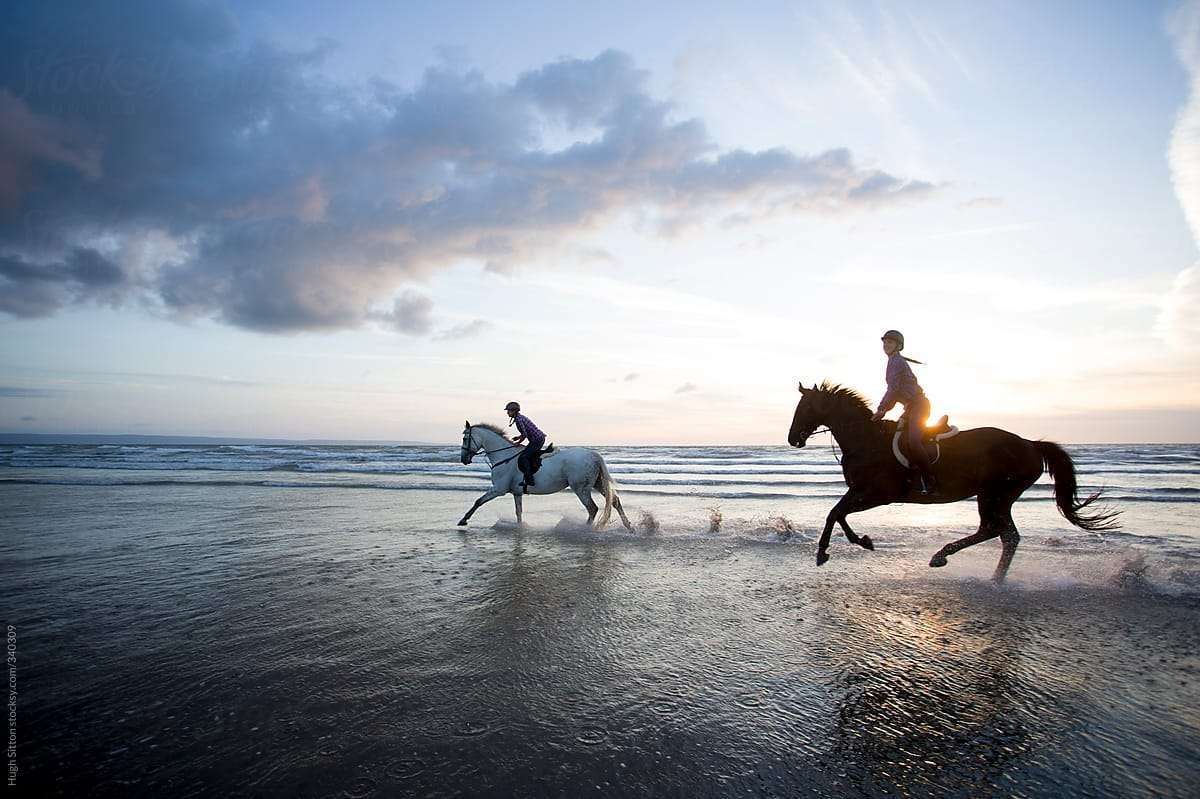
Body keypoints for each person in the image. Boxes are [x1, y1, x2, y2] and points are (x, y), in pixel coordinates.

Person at [870, 330, 938, 494]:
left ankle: (930, 482)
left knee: (914, 440)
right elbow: (895, 393)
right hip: (910, 408)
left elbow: (893, 389)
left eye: (890, 343)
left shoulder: (897, 362)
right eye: (885, 343)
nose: (886, 345)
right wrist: (883, 411)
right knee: (897, 438)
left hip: (919, 405)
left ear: (899, 346)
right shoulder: (893, 361)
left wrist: (881, 409)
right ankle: (910, 477)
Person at [505, 401, 546, 492]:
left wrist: (518, 442)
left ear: (514, 411)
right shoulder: (519, 418)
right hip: (537, 439)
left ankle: (530, 480)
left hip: (537, 440)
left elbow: (525, 434)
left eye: (509, 411)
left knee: (524, 457)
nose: (507, 413)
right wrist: (518, 438)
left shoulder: (519, 420)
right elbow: (525, 433)